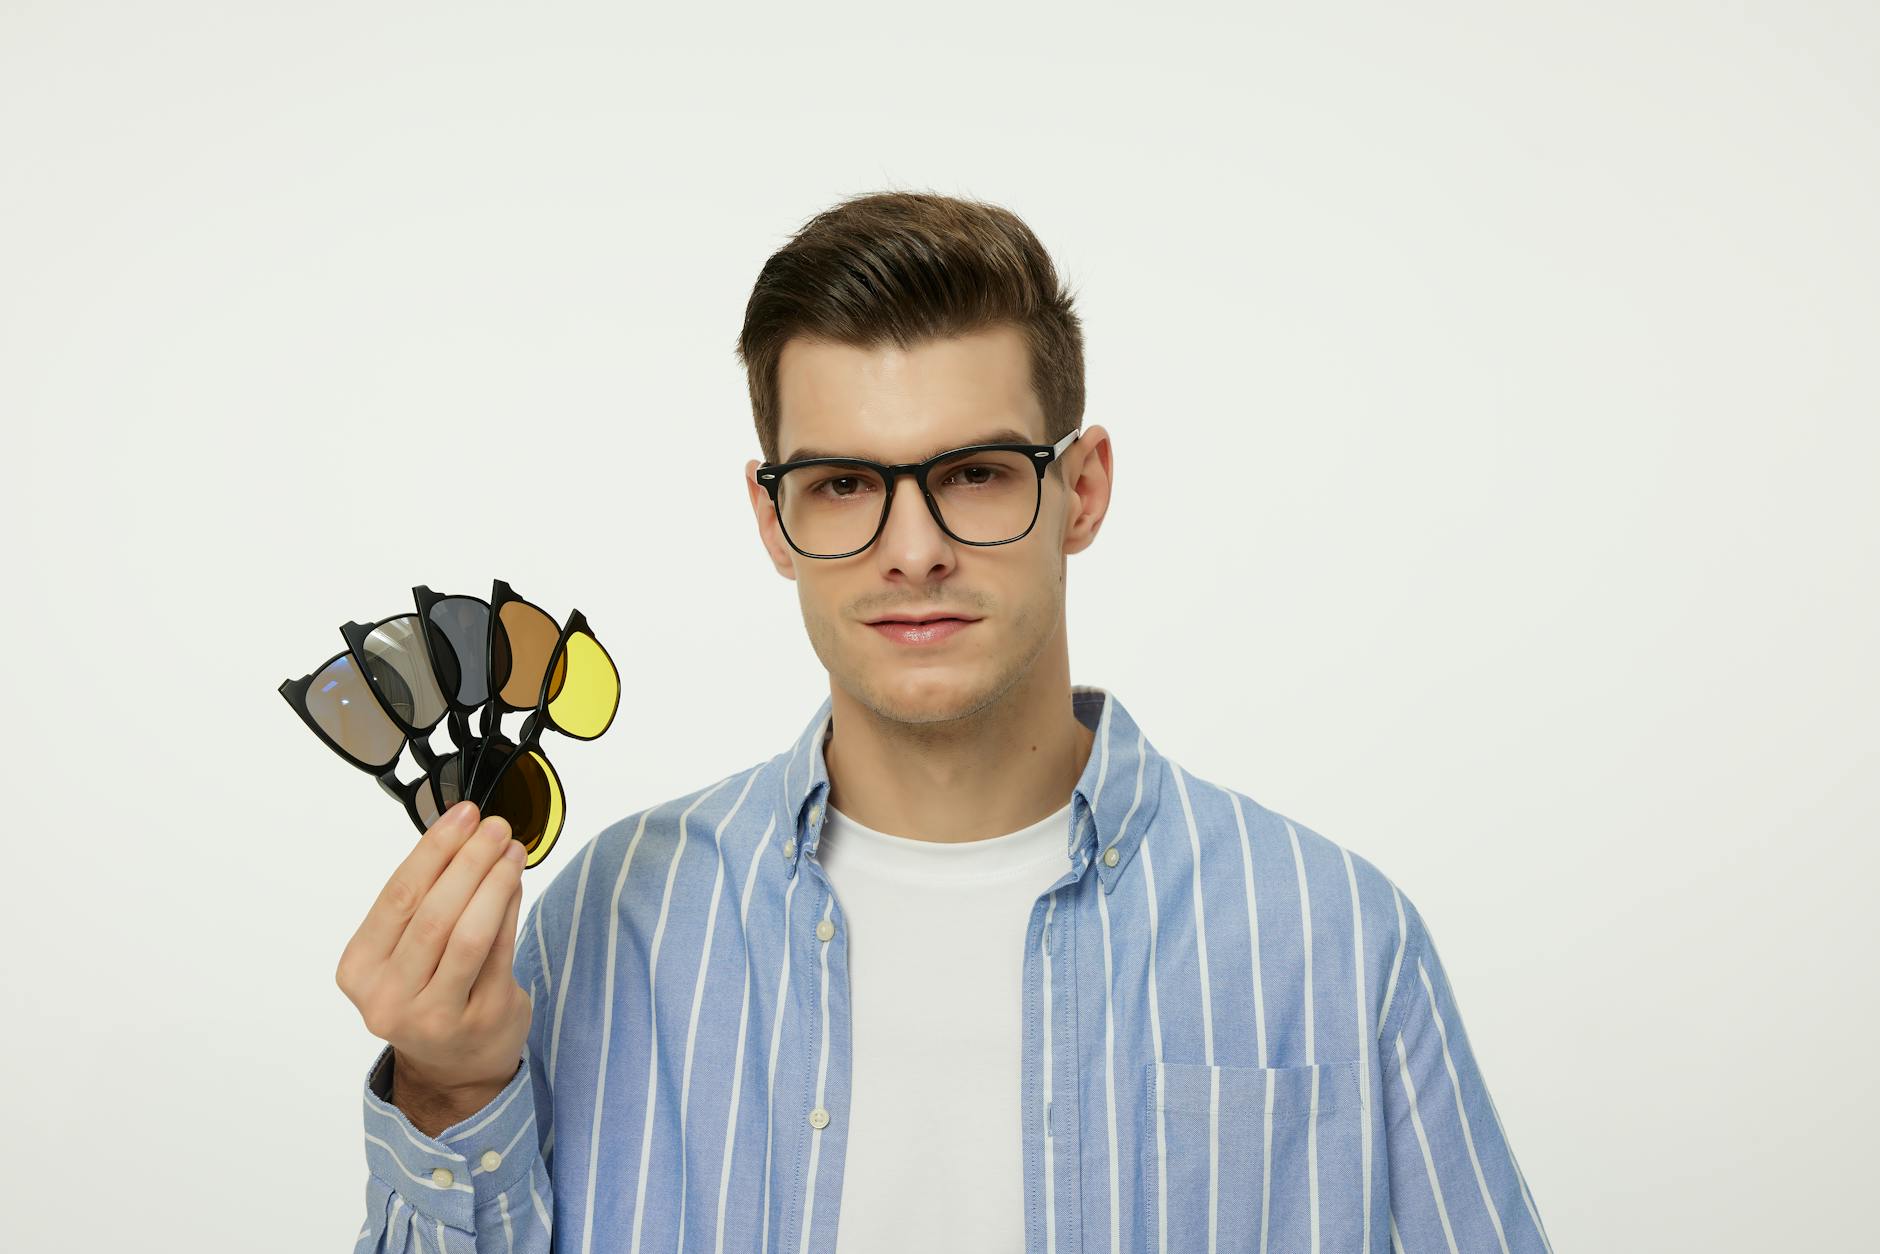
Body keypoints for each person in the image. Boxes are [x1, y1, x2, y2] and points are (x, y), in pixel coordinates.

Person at [337, 190, 1555, 1253]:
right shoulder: (606, 924)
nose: (911, 552)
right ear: (773, 523)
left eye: (972, 473)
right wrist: (450, 1089)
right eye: (844, 486)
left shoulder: (1333, 938)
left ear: (1079, 491)